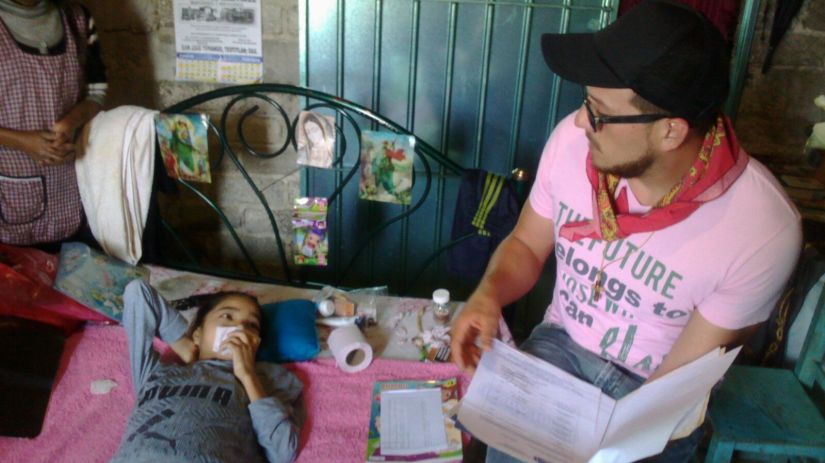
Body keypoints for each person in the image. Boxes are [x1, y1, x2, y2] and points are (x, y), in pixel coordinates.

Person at [450, 1, 802, 462]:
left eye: (598, 112)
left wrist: (600, 447)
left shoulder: (762, 228)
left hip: (655, 391)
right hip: (561, 348)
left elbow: (677, 380)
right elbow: (525, 245)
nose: (579, 122)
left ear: (670, 132)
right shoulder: (573, 144)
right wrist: (488, 295)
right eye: (585, 103)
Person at [112, 280, 303, 463]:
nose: (240, 328)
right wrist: (182, 343)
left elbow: (283, 452)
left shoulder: (268, 379)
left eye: (251, 325)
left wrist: (247, 375)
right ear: (198, 333)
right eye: (227, 316)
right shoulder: (156, 373)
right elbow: (138, 292)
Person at [0, 0, 106, 248]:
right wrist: (22, 141)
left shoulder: (77, 18)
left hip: (70, 185)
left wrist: (71, 121)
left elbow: (97, 91)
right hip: (8, 189)